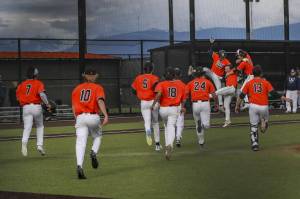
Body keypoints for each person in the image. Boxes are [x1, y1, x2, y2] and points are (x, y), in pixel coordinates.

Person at [235, 65, 291, 151]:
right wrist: (284, 98)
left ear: (253, 74)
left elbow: (241, 96)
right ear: (261, 73)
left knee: (253, 126)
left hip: (253, 106)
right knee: (264, 126)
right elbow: (273, 93)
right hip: (264, 107)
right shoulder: (265, 82)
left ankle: (255, 144)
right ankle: (264, 121)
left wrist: (237, 106)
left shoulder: (249, 83)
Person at [72, 68, 109, 179]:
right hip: (93, 116)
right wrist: (105, 114)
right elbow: (100, 100)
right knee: (97, 136)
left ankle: (79, 166)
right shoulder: (98, 87)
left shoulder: (77, 89)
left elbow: (73, 106)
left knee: (80, 143)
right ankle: (93, 152)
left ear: (84, 75)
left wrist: (77, 118)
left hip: (80, 117)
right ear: (95, 76)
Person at [151, 67, 186, 160]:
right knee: (171, 127)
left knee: (166, 127)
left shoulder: (161, 83)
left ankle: (167, 149)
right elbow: (184, 98)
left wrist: (153, 104)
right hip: (174, 109)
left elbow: (158, 94)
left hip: (163, 109)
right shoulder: (180, 84)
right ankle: (169, 144)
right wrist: (182, 106)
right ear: (174, 75)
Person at [16, 67, 51, 156]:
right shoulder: (38, 83)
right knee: (40, 126)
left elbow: (18, 97)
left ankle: (24, 142)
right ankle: (39, 145)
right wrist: (47, 104)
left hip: (26, 107)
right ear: (35, 75)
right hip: (36, 106)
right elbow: (42, 94)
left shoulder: (21, 85)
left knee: (27, 127)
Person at [185, 66, 218, 147]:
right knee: (206, 125)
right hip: (205, 104)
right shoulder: (207, 82)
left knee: (197, 125)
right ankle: (203, 125)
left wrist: (184, 105)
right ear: (203, 74)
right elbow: (214, 95)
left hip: (195, 104)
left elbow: (186, 95)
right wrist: (217, 103)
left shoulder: (191, 82)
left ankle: (201, 142)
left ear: (195, 74)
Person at [131, 62, 161, 151]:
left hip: (143, 102)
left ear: (144, 69)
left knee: (147, 122)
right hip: (153, 101)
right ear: (152, 69)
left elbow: (133, 89)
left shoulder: (138, 78)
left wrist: (140, 94)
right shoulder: (154, 77)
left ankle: (148, 130)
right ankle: (157, 145)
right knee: (155, 123)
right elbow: (157, 90)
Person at [204, 37, 231, 112]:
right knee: (205, 69)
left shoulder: (226, 61)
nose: (222, 57)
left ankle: (221, 106)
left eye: (223, 55)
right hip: (212, 73)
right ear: (219, 55)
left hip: (218, 77)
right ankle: (194, 71)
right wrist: (211, 44)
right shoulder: (216, 56)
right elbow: (210, 51)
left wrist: (224, 76)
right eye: (221, 55)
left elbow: (229, 68)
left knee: (219, 89)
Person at [174, 67, 186, 147]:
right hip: (179, 106)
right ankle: (178, 138)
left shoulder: (168, 83)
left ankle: (169, 140)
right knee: (180, 123)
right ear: (180, 75)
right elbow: (184, 99)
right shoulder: (183, 85)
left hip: (169, 106)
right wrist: (182, 106)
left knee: (170, 125)